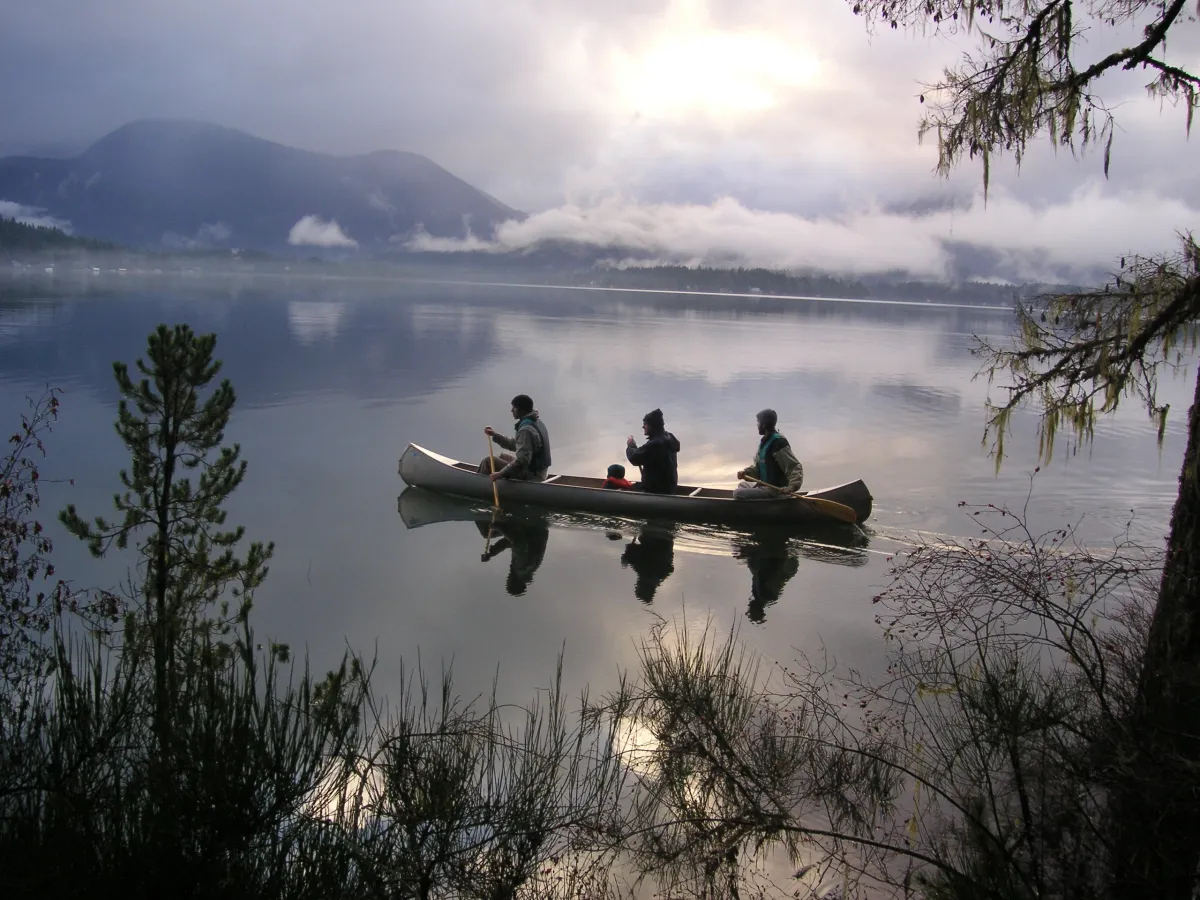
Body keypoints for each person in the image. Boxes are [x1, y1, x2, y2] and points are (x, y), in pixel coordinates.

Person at [733, 408, 804, 500]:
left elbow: (794, 466)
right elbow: (758, 469)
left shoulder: (778, 442)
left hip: (775, 490)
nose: (757, 425)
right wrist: (746, 473)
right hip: (764, 487)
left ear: (764, 424)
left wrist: (792, 486)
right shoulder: (765, 442)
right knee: (742, 484)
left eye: (758, 422)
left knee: (737, 493)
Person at [480, 394, 551, 482]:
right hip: (539, 471)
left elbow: (522, 461)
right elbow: (517, 444)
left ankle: (481, 484)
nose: (511, 410)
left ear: (522, 410)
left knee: (488, 461)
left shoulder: (526, 430)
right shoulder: (535, 422)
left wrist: (500, 473)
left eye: (514, 408)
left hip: (533, 475)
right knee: (503, 456)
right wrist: (495, 435)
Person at [625, 408, 680, 494]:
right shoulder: (669, 437)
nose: (643, 427)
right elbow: (643, 454)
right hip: (669, 489)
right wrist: (634, 447)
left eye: (645, 424)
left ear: (652, 425)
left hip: (655, 491)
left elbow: (635, 458)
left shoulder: (656, 444)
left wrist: (630, 445)